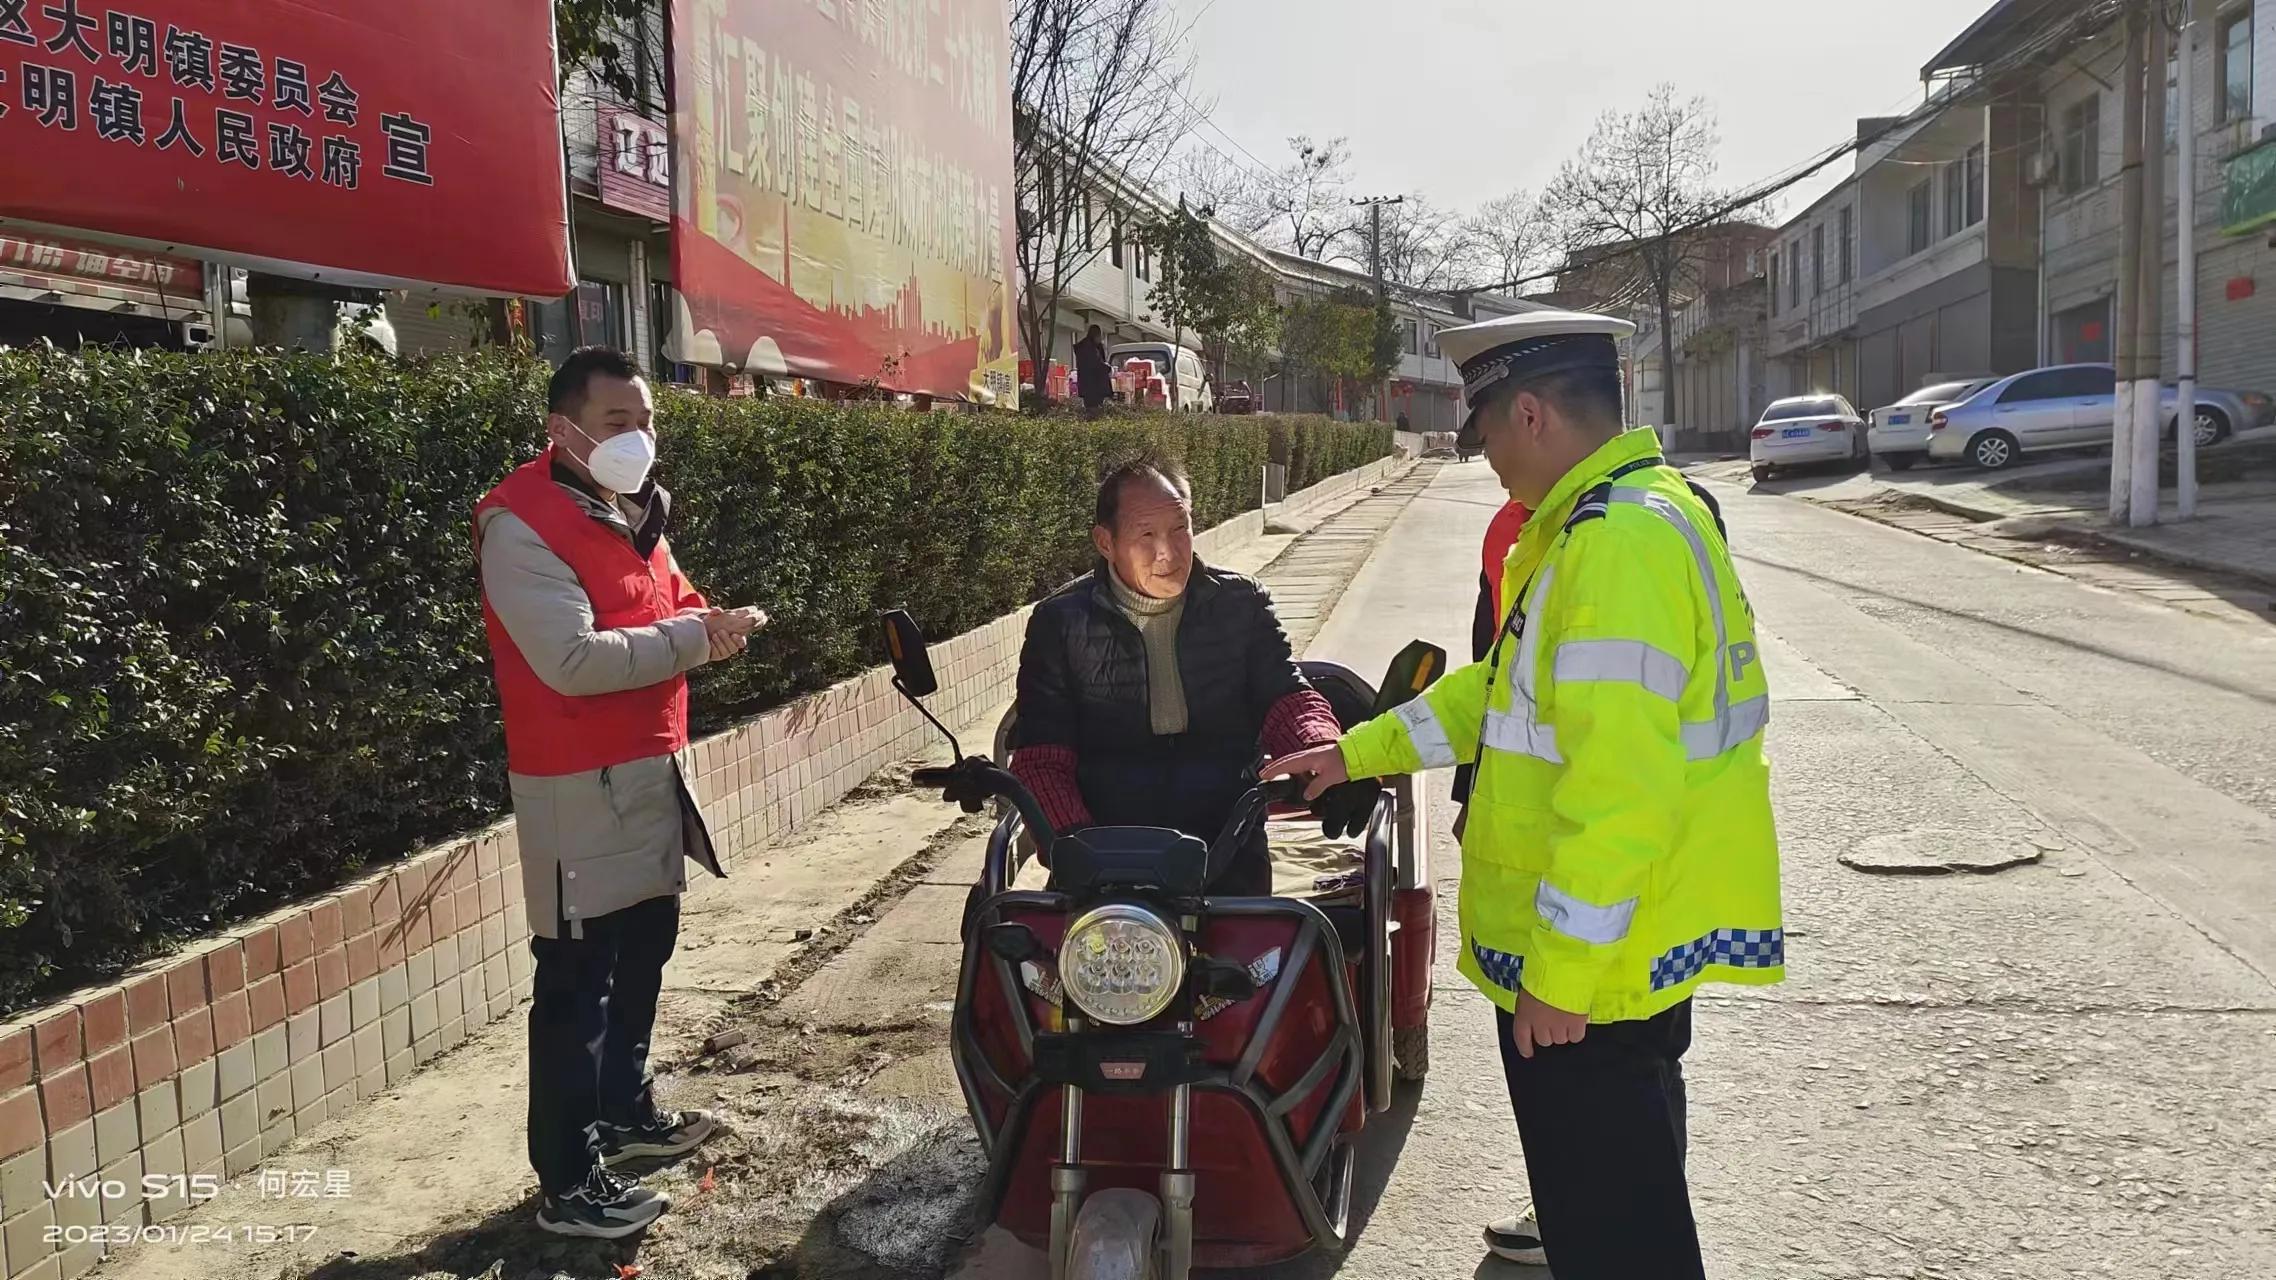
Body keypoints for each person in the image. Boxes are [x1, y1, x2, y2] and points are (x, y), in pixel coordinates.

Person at [1265, 311, 1784, 1280]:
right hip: (1622, 949)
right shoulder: (1619, 515)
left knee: (1615, 1243)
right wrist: (1358, 752)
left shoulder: (1613, 547)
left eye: (1488, 432)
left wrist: (1561, 976)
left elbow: (1619, 791)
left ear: (1532, 414)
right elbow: (1498, 691)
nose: (1489, 460)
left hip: (1592, 974)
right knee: (1623, 1208)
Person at [475, 347, 761, 1238]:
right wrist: (693, 640)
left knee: (644, 950)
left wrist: (710, 622)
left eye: (645, 421)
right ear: (562, 429)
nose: (637, 437)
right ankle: (568, 1182)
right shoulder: (521, 525)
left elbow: (672, 600)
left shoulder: (633, 513)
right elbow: (569, 659)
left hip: (646, 769)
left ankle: (625, 1117)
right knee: (576, 984)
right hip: (574, 787)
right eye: (615, 423)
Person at [1008, 460, 1377, 892]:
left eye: (1179, 529)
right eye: (1146, 535)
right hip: (1105, 851)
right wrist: (1076, 845)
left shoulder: (1241, 603)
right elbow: (1041, 756)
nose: (1168, 552)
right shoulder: (1059, 623)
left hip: (1227, 840)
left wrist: (1322, 750)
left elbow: (1287, 697)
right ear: (1105, 542)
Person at [1074, 324, 1113, 419]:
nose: (1101, 339)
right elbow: (1096, 365)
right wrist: (1108, 368)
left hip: (1089, 387)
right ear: (1096, 335)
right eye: (1100, 336)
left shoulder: (1089, 347)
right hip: (1093, 387)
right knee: (1094, 411)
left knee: (1092, 410)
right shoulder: (1089, 349)